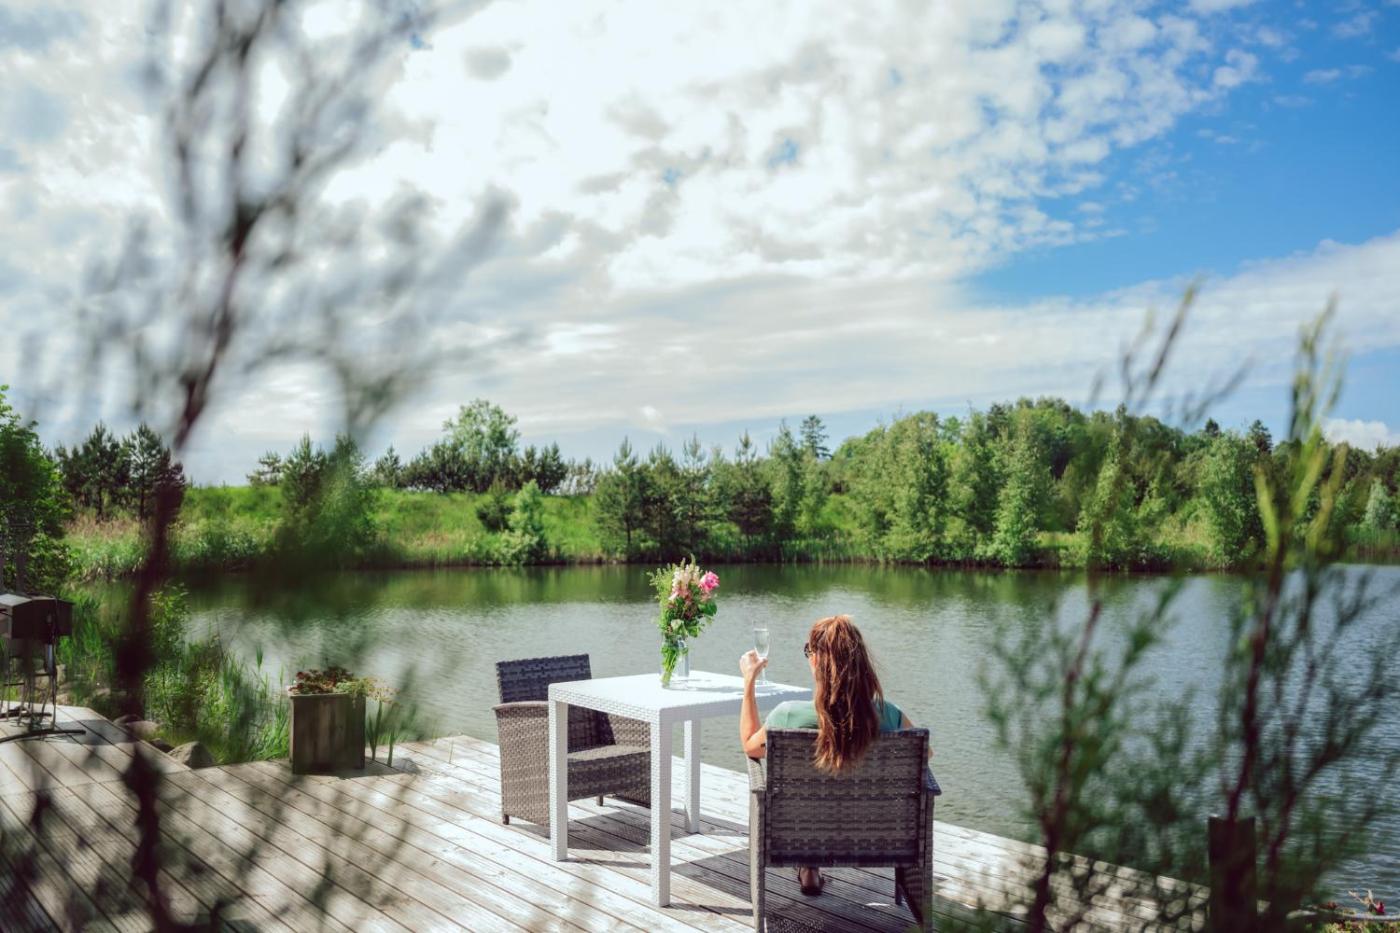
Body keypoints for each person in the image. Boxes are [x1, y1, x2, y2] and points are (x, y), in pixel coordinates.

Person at [738, 613, 931, 897]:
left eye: (809, 651)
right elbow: (925, 754)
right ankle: (811, 869)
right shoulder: (889, 714)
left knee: (810, 802)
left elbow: (749, 745)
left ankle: (809, 865)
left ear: (816, 660)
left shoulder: (788, 715)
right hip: (875, 835)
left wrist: (749, 683)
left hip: (800, 834)